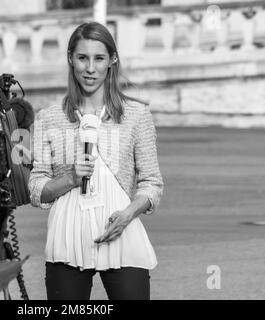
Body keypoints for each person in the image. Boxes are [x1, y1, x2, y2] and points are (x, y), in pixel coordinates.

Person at [28, 21, 164, 300]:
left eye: (99, 58)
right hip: (68, 237)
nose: (90, 68)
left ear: (112, 60)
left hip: (121, 231)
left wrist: (128, 214)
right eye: (82, 58)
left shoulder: (136, 116)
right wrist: (70, 179)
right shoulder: (48, 118)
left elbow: (152, 184)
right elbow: (36, 189)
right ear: (70, 59)